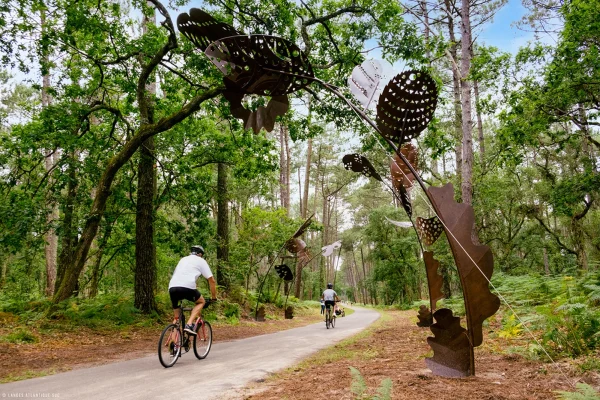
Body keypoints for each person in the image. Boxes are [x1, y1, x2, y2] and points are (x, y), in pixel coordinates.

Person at [168, 245, 217, 335]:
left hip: (172, 287)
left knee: (176, 317)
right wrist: (213, 297)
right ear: (200, 254)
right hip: (187, 287)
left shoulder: (183, 259)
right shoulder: (201, 261)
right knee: (201, 302)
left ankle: (173, 344)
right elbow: (212, 281)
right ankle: (189, 324)